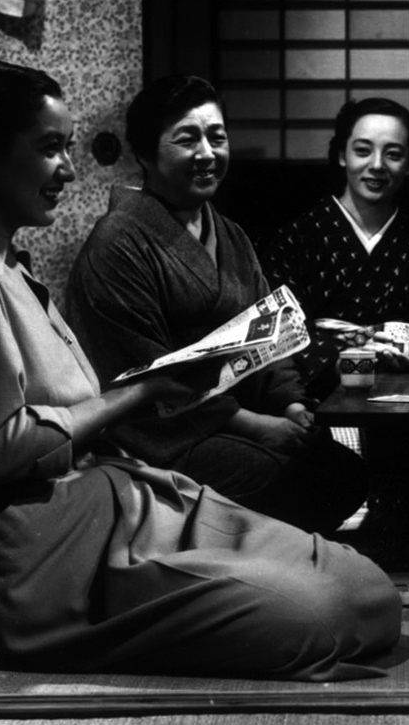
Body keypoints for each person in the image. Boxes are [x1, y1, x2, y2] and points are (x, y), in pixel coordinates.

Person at [0, 61, 399, 679]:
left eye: (67, 148)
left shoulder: (14, 265)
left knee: (372, 594)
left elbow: (269, 336)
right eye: (48, 150)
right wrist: (144, 392)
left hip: (129, 501)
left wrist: (284, 402)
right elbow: (0, 453)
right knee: (324, 615)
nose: (68, 168)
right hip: (53, 558)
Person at [64, 74, 367, 534]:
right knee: (298, 480)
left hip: (236, 421)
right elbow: (147, 379)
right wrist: (254, 426)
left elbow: (274, 334)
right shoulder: (118, 241)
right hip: (159, 437)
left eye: (217, 137)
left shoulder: (231, 235)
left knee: (346, 470)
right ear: (145, 153)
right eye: (188, 139)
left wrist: (288, 404)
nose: (207, 153)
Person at [258, 96, 409, 391]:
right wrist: (346, 356)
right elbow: (276, 329)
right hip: (320, 393)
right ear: (342, 155)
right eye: (362, 151)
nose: (377, 165)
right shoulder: (298, 237)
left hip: (406, 395)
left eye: (393, 154)